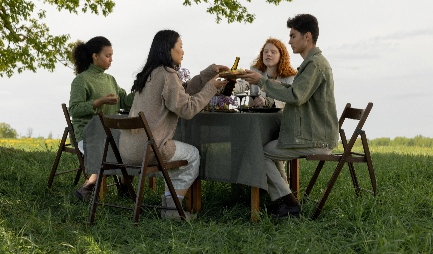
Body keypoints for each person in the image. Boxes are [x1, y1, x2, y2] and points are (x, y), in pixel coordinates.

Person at [119, 30, 228, 220]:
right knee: (192, 155)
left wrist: (209, 73)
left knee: (179, 153)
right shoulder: (167, 75)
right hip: (149, 150)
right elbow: (188, 109)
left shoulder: (150, 74)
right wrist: (211, 87)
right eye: (181, 46)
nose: (183, 51)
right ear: (169, 49)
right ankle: (172, 209)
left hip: (128, 150)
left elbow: (181, 92)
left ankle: (171, 207)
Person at [241, 14, 338, 219]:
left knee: (261, 153)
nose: (289, 40)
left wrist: (263, 82)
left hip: (316, 137)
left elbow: (296, 96)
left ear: (307, 36)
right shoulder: (312, 62)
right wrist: (271, 83)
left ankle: (287, 203)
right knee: (269, 149)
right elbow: (297, 90)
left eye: (293, 35)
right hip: (312, 133)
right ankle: (286, 201)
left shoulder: (315, 64)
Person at [69, 36, 134, 202]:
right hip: (88, 134)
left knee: (135, 149)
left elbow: (126, 102)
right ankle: (88, 187)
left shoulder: (110, 79)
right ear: (94, 56)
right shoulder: (81, 80)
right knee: (110, 151)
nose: (111, 59)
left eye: (112, 55)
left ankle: (124, 190)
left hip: (110, 134)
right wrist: (100, 102)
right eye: (107, 55)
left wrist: (141, 91)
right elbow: (74, 110)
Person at [249, 38, 297, 108]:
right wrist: (230, 79)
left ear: (281, 56)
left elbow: (290, 99)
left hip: (280, 117)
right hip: (256, 117)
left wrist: (267, 101)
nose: (268, 54)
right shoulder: (255, 71)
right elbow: (241, 85)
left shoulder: (291, 76)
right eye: (265, 51)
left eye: (273, 52)